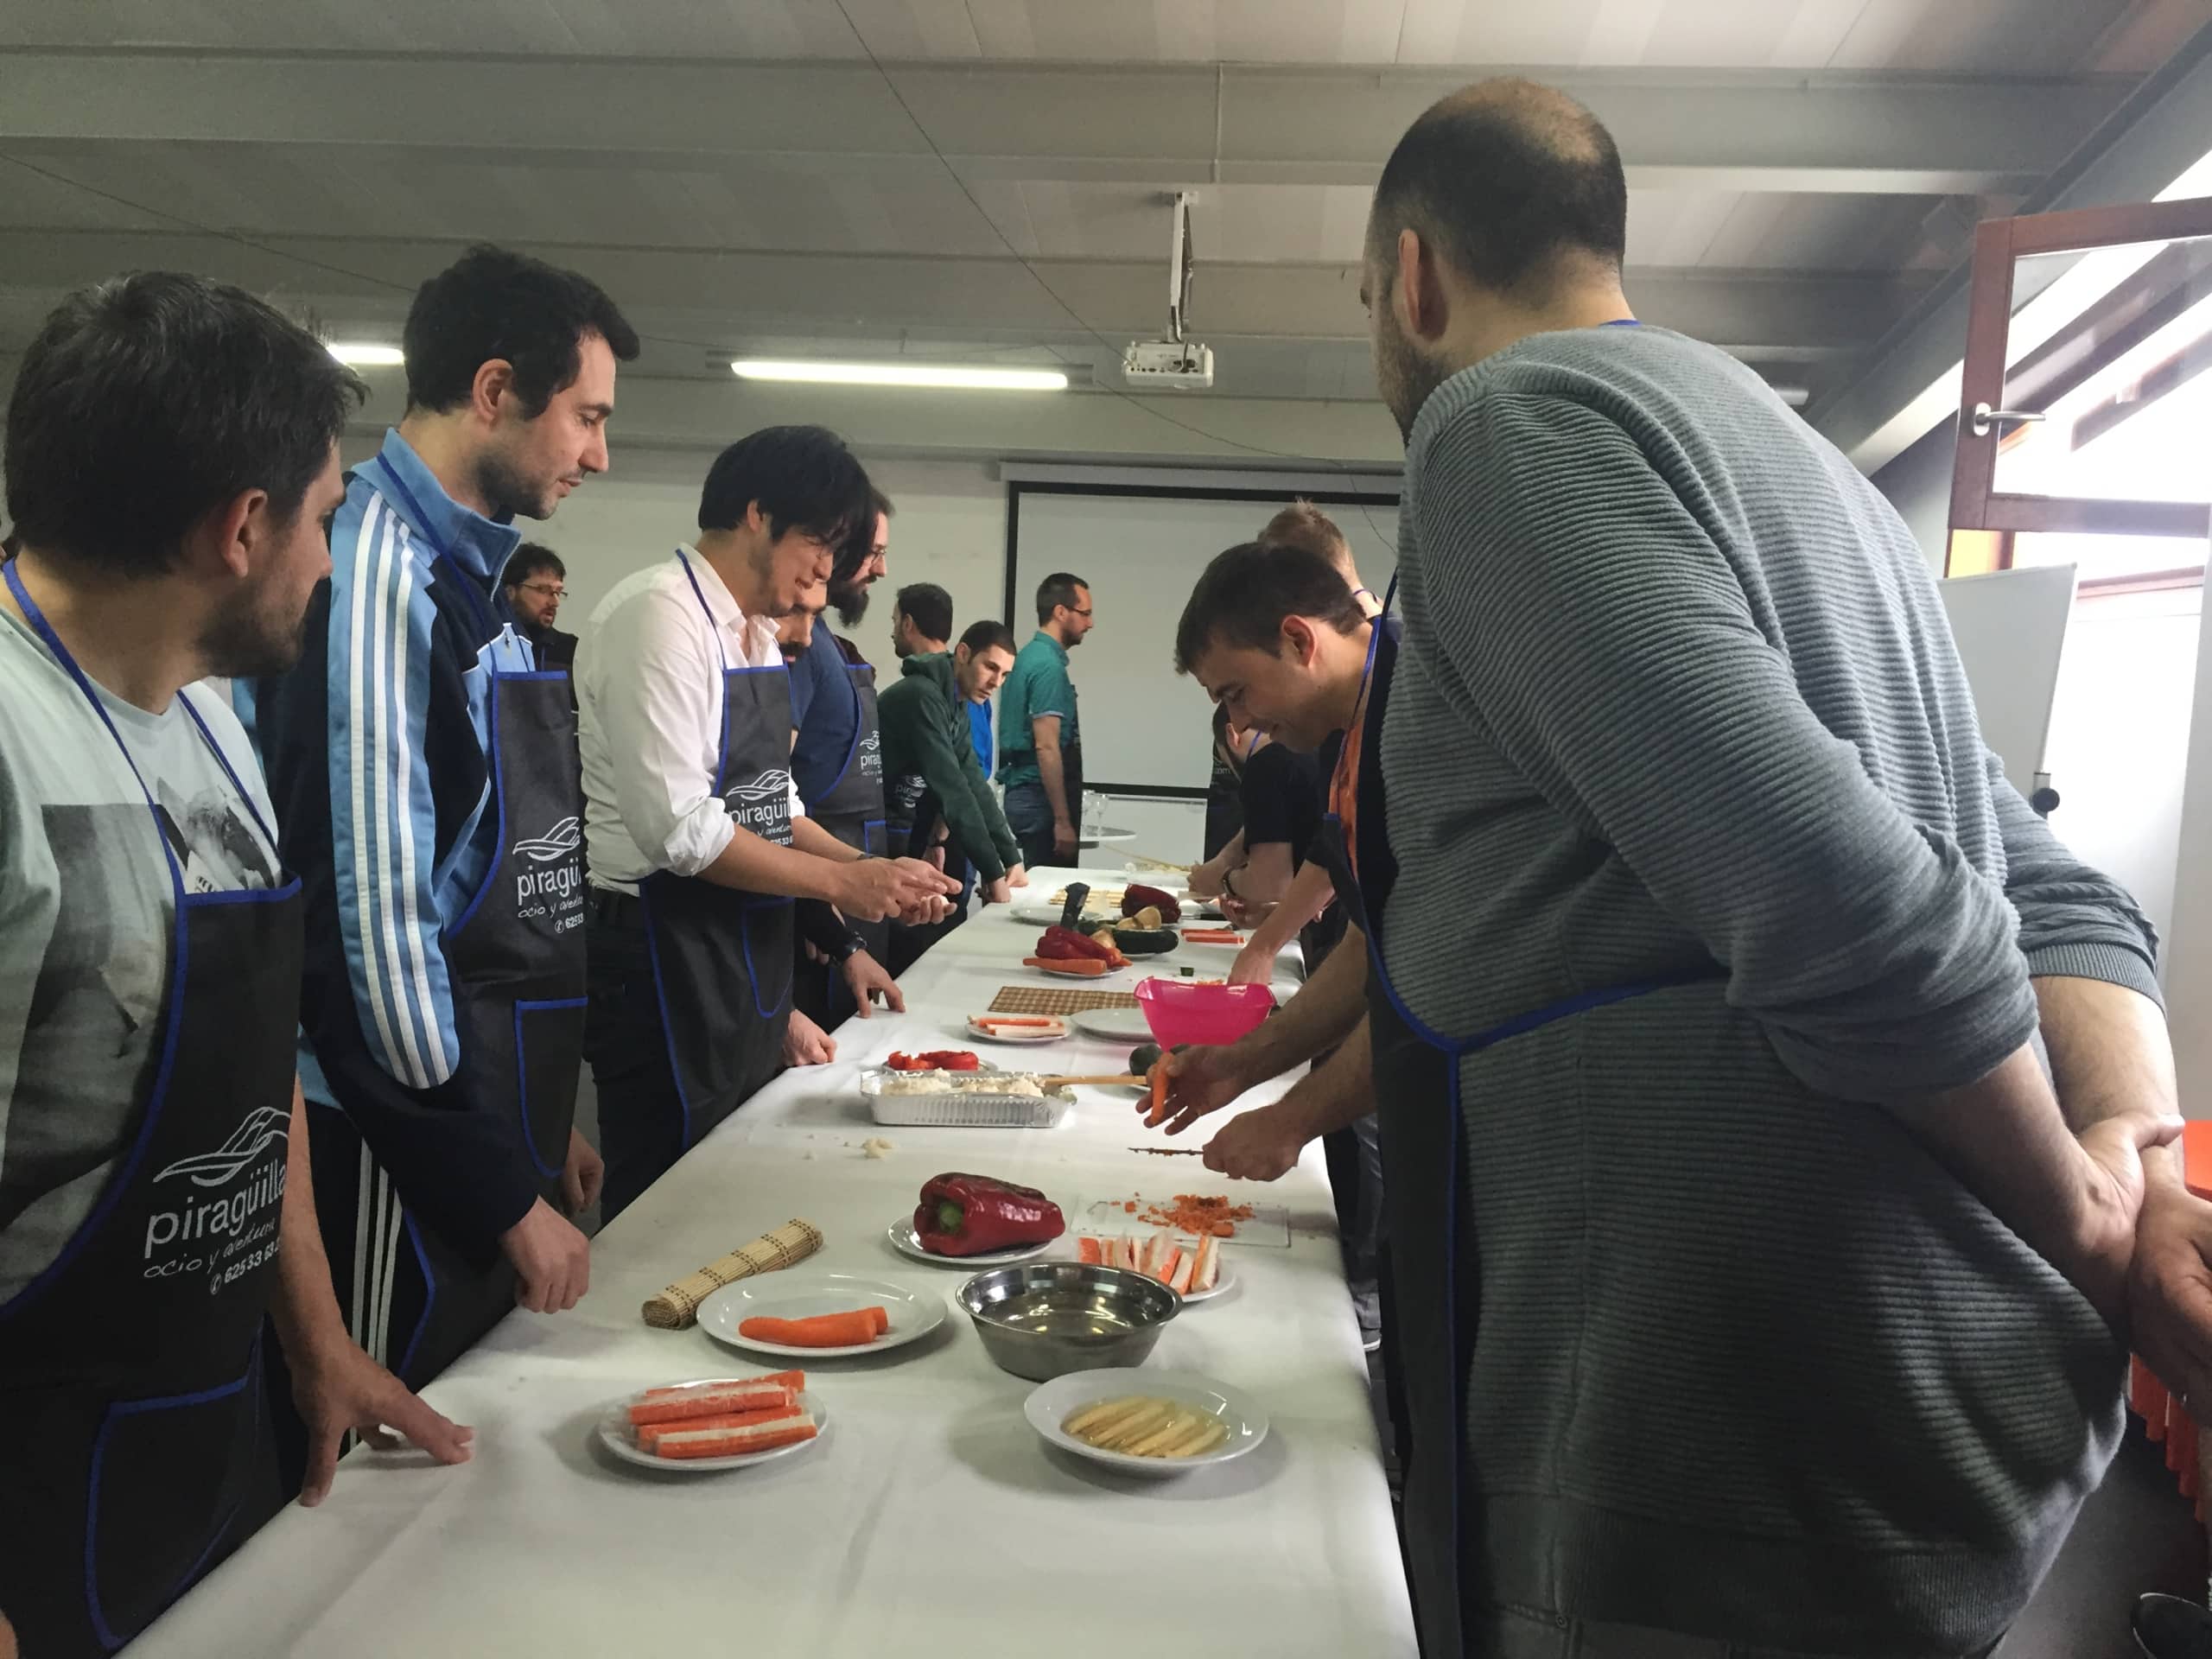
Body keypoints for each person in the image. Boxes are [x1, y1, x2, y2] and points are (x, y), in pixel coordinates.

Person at [1358, 79, 2183, 1658]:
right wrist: (2130, 1154)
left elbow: (1850, 908)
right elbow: (2056, 891)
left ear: (1415, 275)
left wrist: (2093, 1216)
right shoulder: (1822, 481)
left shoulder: (1498, 428)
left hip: (1726, 1445)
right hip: (1909, 1421)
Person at [0, 273, 469, 1659]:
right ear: (241, 528)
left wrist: (317, 1337)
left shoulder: (206, 718)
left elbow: (252, 1076)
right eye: (325, 521)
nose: (330, 562)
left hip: (205, 1424)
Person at [251, 245, 635, 1390]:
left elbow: (474, 871)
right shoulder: (380, 574)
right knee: (389, 1494)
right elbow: (372, 930)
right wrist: (489, 1175)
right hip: (386, 1136)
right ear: (494, 391)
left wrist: (526, 1116)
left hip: (464, 1105)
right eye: (586, 418)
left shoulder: (466, 582)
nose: (599, 455)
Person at [576, 429, 953, 1221]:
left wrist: (875, 873)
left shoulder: (749, 628)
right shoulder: (660, 616)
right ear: (756, 515)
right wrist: (844, 881)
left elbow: (769, 801)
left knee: (735, 1181)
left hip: (731, 944)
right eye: (820, 541)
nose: (830, 568)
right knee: (663, 1201)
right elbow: (680, 831)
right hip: (654, 947)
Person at [1165, 543, 1394, 1353]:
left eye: (1237, 692)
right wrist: (1245, 1063)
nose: (1243, 721)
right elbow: (1376, 938)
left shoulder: (1422, 714)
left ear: (1299, 639)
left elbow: (1427, 973)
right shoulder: (1342, 735)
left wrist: (1295, 1115)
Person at [788, 489, 899, 1031]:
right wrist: (814, 906)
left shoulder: (824, 638)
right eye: (873, 552)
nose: (880, 569)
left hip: (839, 885)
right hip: (817, 899)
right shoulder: (797, 646)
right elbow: (766, 801)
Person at [880, 620, 1028, 971]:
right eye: (990, 667)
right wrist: (993, 873)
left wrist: (1012, 859)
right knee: (899, 946)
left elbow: (975, 783)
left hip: (901, 824)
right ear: (963, 653)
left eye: (1005, 675)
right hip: (870, 827)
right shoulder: (922, 695)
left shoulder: (956, 703)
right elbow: (953, 791)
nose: (996, 683)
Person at [999, 571, 1093, 868]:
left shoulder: (1027, 656)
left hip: (1025, 793)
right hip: (1040, 799)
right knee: (1052, 901)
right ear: (1061, 612)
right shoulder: (1047, 667)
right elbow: (1047, 746)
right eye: (1085, 614)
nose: (1090, 623)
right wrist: (1063, 821)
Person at [500, 542, 577, 673]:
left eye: (558, 592)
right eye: (543, 590)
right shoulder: (490, 647)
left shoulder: (573, 653)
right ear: (509, 592)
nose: (555, 602)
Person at [890, 581, 951, 659]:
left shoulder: (917, 671)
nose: (892, 635)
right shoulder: (964, 670)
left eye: (895, 622)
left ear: (907, 624)